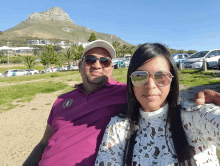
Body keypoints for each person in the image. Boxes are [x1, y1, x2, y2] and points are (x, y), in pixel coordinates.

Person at [23, 40, 219, 166]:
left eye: (105, 61)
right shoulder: (62, 100)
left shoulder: (126, 90)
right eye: (90, 59)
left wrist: (204, 102)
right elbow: (43, 142)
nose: (97, 65)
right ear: (80, 64)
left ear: (112, 67)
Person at [95, 43, 220, 166]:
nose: (150, 85)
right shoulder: (118, 127)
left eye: (161, 76)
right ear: (130, 82)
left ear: (172, 81)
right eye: (139, 76)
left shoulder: (196, 115)